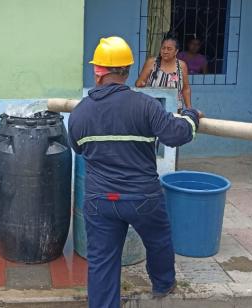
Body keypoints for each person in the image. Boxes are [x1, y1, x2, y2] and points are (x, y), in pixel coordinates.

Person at [68, 36, 201, 308]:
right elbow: (176, 134)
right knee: (159, 241)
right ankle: (163, 284)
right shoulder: (145, 105)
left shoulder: (80, 114)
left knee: (102, 262)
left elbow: (79, 150)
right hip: (143, 198)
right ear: (127, 71)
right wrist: (191, 116)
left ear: (97, 70)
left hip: (100, 201)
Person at [135, 34, 192, 112]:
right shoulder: (152, 63)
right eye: (163, 48)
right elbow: (138, 83)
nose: (165, 51)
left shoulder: (182, 66)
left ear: (176, 51)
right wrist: (141, 84)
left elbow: (186, 89)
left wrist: (189, 108)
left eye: (169, 49)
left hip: (175, 110)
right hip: (153, 110)